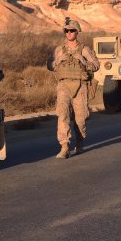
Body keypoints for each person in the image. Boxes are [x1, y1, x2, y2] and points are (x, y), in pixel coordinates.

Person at [47, 19, 100, 159]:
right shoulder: (59, 50)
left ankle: (79, 141)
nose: (68, 33)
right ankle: (64, 146)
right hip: (63, 85)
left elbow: (96, 65)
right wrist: (58, 61)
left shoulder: (84, 49)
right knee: (62, 115)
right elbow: (49, 65)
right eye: (66, 31)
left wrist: (83, 61)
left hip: (80, 85)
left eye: (71, 30)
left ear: (77, 32)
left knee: (80, 118)